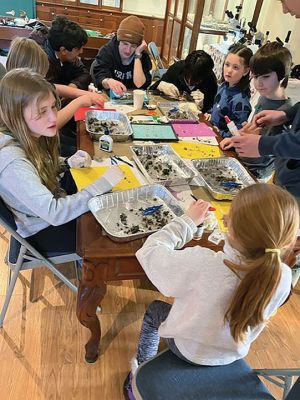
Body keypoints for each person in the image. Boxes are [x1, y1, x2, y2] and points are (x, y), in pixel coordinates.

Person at [123, 183, 298, 399]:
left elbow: (149, 253)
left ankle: (139, 366)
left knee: (154, 311)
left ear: (234, 232)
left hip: (188, 350)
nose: (224, 218)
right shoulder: (283, 275)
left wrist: (187, 221)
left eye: (230, 216)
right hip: (230, 354)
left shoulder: (203, 263)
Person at [0, 69, 123, 254]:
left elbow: (39, 165)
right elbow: (55, 213)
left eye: (53, 106)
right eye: (42, 112)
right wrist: (100, 186)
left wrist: (67, 162)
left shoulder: (29, 133)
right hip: (42, 230)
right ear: (16, 116)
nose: (52, 117)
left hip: (50, 204)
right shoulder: (13, 163)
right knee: (112, 232)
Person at [230, 0, 300, 207]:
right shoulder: (267, 101)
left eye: (284, 1)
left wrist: (260, 144)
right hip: (285, 178)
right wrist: (287, 114)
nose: (284, 9)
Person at [6, 37, 105, 156]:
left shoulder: (27, 86)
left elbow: (57, 88)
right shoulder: (19, 98)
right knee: (85, 150)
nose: (43, 79)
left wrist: (87, 94)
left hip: (48, 142)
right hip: (41, 148)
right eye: (41, 75)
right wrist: (79, 102)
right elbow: (51, 123)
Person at [221, 42, 292, 180]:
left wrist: (250, 141)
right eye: (255, 76)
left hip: (255, 174)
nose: (258, 83)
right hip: (241, 161)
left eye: (265, 77)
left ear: (282, 75)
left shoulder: (285, 113)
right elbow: (251, 130)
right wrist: (236, 139)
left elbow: (271, 156)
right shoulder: (264, 96)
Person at [91, 15, 152, 96]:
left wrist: (137, 56)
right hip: (109, 98)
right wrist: (108, 81)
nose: (128, 50)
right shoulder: (107, 51)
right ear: (118, 40)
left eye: (133, 46)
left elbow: (140, 85)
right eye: (125, 44)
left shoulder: (142, 56)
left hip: (131, 99)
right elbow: (99, 76)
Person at [150, 50, 218, 113]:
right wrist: (160, 85)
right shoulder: (177, 68)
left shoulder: (210, 79)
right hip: (169, 111)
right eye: (188, 76)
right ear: (185, 69)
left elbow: (211, 108)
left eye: (196, 80)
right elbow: (151, 90)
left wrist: (203, 104)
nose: (189, 82)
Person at [37, 16, 91, 90]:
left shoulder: (69, 57)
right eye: (78, 49)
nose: (81, 51)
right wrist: (68, 91)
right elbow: (47, 90)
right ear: (63, 50)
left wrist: (73, 85)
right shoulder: (41, 61)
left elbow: (84, 74)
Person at [210, 43, 253, 138]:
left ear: (245, 71)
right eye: (227, 64)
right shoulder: (223, 86)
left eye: (235, 67)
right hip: (211, 132)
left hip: (222, 142)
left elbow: (238, 132)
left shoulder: (240, 100)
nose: (229, 70)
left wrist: (220, 133)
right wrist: (209, 114)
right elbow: (217, 108)